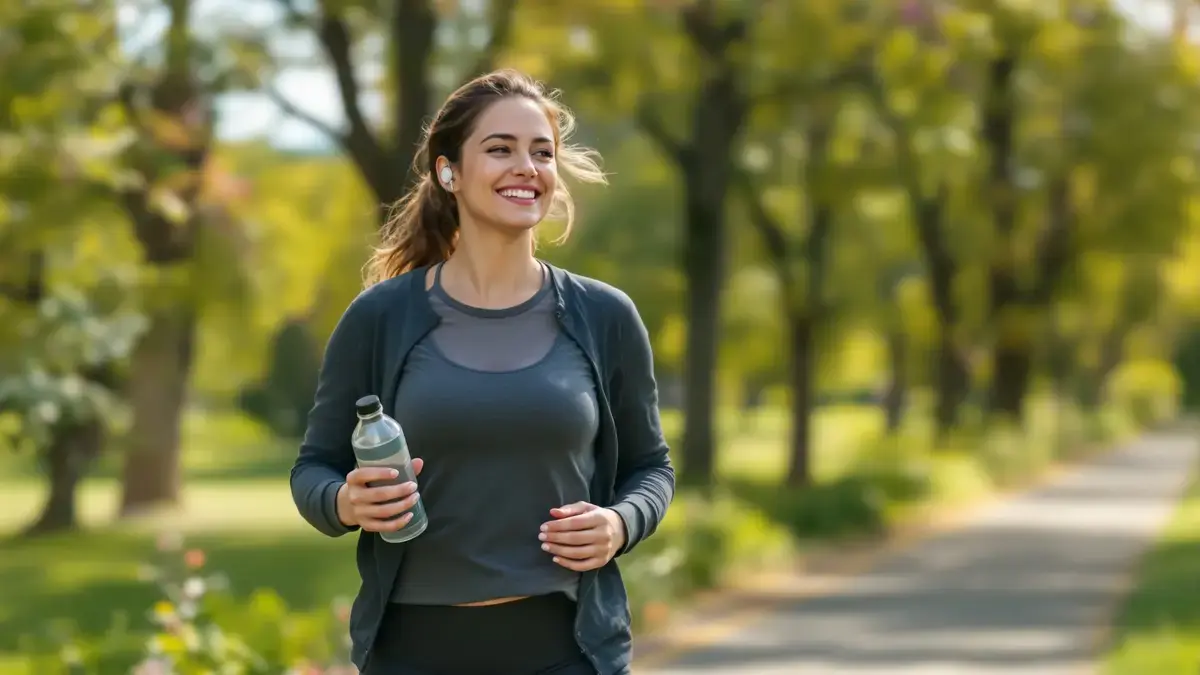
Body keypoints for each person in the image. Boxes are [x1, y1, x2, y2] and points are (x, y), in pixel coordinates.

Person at [289, 69, 676, 675]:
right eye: (500, 149)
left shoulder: (604, 316)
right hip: (413, 654)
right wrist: (345, 503)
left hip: (568, 650)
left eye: (541, 152)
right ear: (449, 172)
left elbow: (651, 469)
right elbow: (312, 470)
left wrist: (618, 524)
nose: (527, 167)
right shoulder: (382, 318)